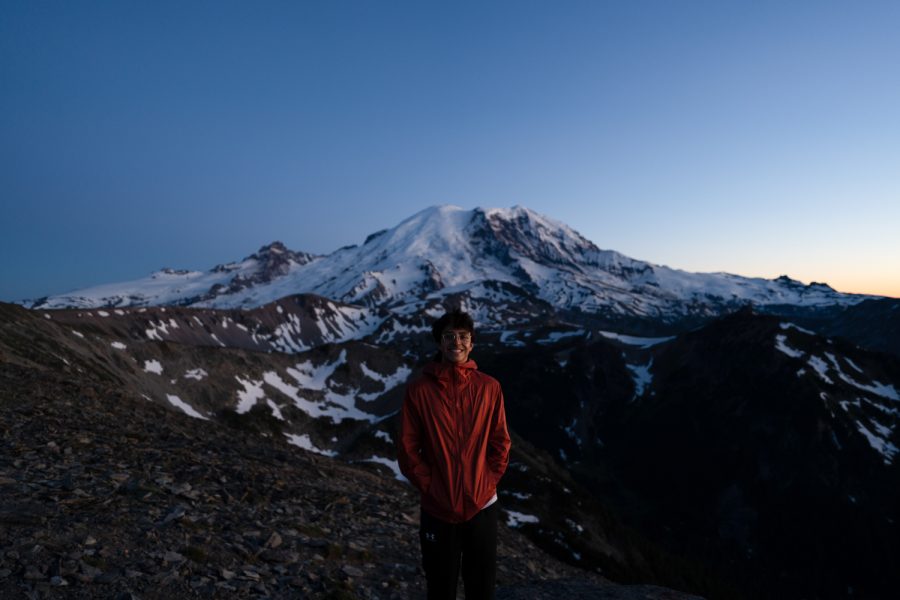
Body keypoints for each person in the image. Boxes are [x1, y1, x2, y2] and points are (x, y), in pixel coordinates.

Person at [397, 309, 511, 600]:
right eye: (449, 336)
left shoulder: (490, 387)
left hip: (482, 505)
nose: (456, 342)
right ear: (439, 343)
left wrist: (486, 482)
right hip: (438, 508)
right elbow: (408, 449)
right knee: (440, 588)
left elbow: (501, 442)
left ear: (472, 343)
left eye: (463, 336)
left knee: (481, 588)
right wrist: (432, 487)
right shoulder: (419, 390)